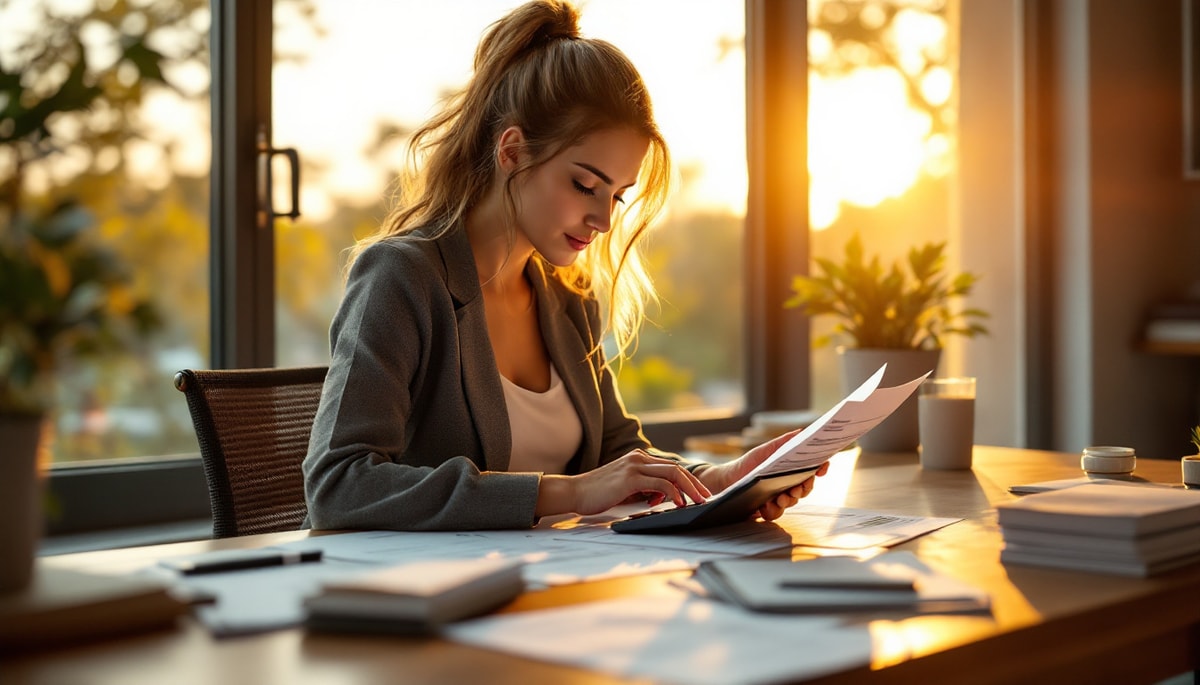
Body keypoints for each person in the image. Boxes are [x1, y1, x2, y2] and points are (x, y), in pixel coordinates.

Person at [303, 0, 828, 532]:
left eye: (617, 196)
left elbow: (620, 452)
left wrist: (721, 480)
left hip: (558, 585)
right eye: (585, 184)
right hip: (433, 597)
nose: (602, 219)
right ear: (512, 151)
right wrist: (570, 492)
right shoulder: (403, 277)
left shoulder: (568, 298)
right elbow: (339, 483)